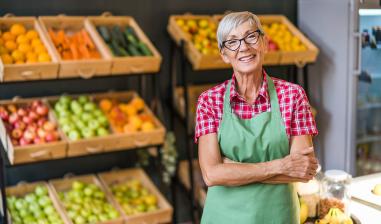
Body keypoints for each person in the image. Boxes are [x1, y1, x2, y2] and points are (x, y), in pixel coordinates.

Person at [195, 11, 318, 224]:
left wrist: (232, 169)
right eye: (232, 42)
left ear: (263, 42)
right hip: (223, 217)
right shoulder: (209, 101)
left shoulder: (292, 95)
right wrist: (281, 166)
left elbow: (302, 170)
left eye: (251, 36)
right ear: (224, 54)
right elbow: (212, 175)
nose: (243, 47)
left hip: (278, 216)